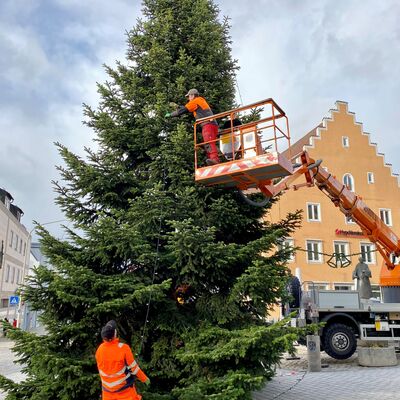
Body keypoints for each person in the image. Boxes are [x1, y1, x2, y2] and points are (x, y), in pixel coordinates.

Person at [95, 320, 150, 400]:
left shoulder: (99, 349)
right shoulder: (123, 348)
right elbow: (134, 368)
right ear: (115, 334)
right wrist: (145, 379)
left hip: (107, 393)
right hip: (125, 391)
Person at [165, 88, 220, 165]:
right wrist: (178, 107)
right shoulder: (199, 101)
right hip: (211, 124)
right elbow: (187, 108)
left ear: (192, 95)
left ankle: (215, 160)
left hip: (208, 125)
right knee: (209, 143)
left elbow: (184, 110)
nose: (188, 99)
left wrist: (171, 114)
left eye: (189, 96)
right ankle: (212, 159)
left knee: (209, 142)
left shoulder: (195, 101)